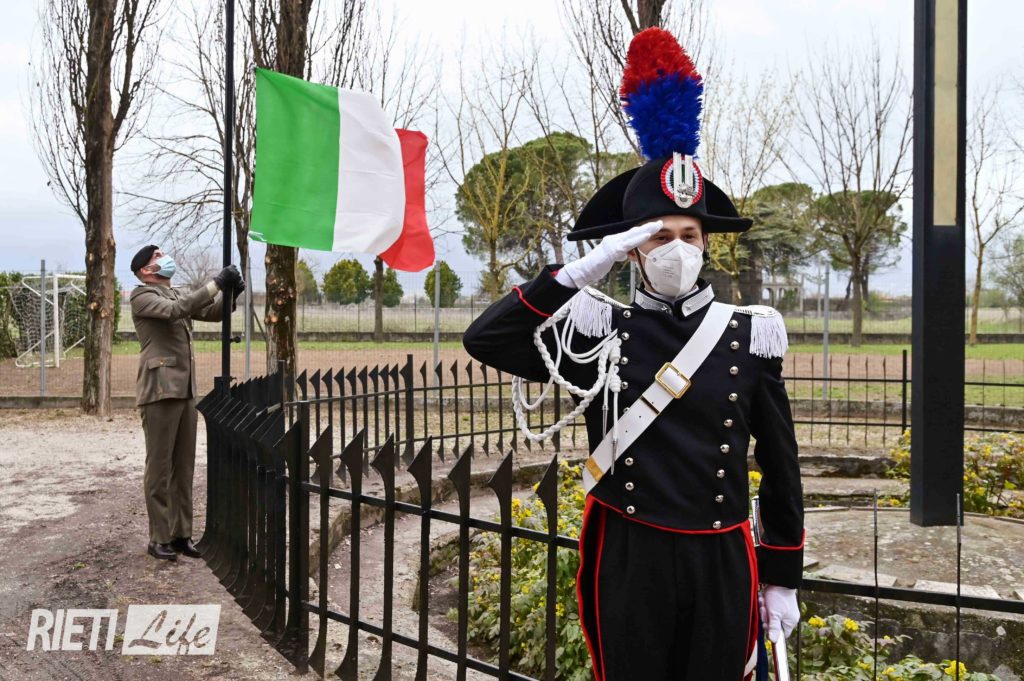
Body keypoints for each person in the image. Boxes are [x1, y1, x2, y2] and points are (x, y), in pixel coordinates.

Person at [463, 28, 803, 680]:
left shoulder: (747, 333)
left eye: (689, 234)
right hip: (628, 549)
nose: (676, 248)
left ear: (706, 241)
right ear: (632, 248)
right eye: (658, 236)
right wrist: (573, 276)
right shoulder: (596, 328)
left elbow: (781, 467)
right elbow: (487, 339)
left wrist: (781, 574)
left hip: (720, 555)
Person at [129, 244, 244, 562]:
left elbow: (212, 313)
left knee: (184, 466)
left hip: (185, 389)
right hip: (160, 390)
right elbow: (176, 310)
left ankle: (181, 535)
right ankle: (159, 538)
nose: (164, 257)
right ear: (145, 270)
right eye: (157, 256)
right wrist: (216, 283)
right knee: (160, 467)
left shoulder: (175, 292)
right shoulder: (142, 296)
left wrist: (231, 293)